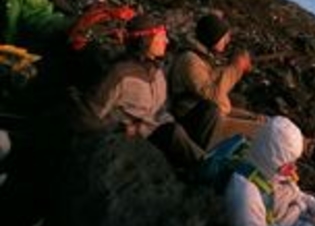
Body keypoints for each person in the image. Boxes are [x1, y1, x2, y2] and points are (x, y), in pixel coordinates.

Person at [82, 14, 224, 169]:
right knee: (173, 133)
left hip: (163, 126)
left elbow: (163, 110)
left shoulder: (156, 71)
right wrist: (122, 128)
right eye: (161, 37)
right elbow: (88, 116)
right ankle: (207, 167)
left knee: (210, 110)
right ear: (146, 40)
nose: (167, 41)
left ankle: (194, 162)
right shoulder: (120, 75)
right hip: (144, 138)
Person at [169, 13, 266, 140]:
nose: (227, 41)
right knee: (262, 133)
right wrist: (236, 67)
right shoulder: (190, 60)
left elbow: (218, 96)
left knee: (256, 118)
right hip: (195, 124)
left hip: (207, 117)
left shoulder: (202, 58)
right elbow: (213, 97)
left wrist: (249, 116)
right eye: (224, 37)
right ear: (213, 37)